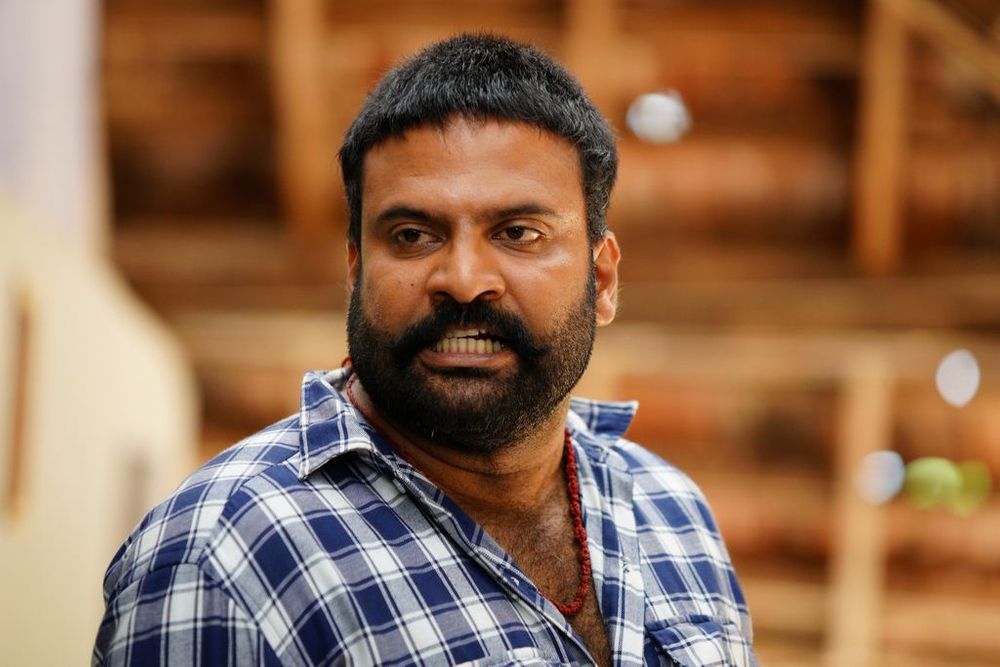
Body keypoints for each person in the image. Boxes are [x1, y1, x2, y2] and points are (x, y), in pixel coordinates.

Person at [94, 33, 756, 666]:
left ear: (602, 281)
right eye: (412, 235)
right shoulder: (223, 556)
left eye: (518, 232)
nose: (464, 280)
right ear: (356, 272)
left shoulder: (670, 508)